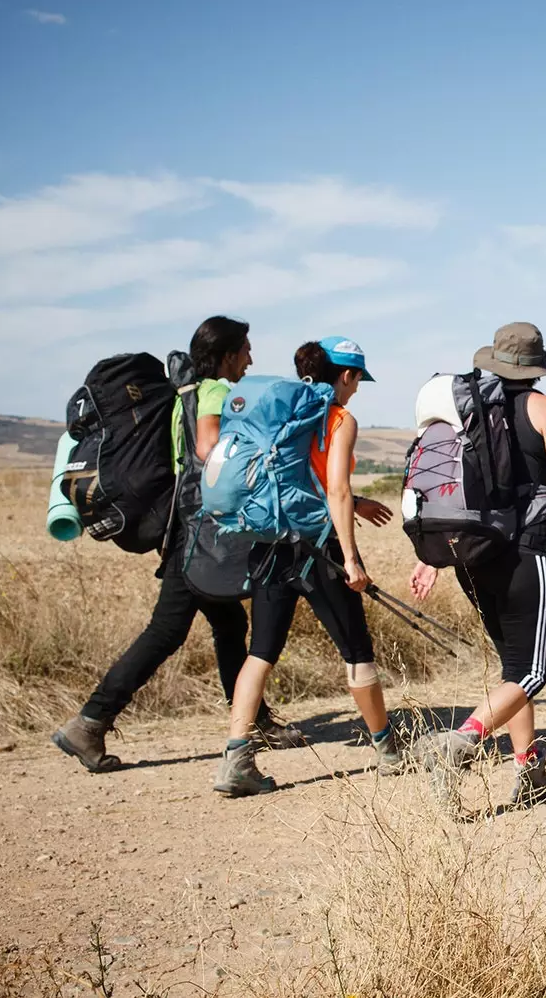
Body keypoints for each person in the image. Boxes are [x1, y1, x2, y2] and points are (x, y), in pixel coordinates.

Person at [53, 316, 301, 772]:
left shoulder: (184, 395)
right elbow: (208, 448)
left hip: (189, 531)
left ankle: (252, 721)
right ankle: (89, 722)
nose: (251, 358)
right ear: (226, 355)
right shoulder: (213, 392)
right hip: (199, 537)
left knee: (227, 626)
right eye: (245, 349)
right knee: (166, 631)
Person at [407, 322, 546, 809]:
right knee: (531, 673)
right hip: (524, 552)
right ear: (537, 365)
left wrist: (435, 560)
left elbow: (449, 491)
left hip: (472, 555)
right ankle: (456, 745)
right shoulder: (542, 407)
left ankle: (530, 770)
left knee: (510, 667)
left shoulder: (469, 412)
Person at [213, 338, 400, 797]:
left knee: (260, 652)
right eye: (358, 380)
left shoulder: (284, 415)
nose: (357, 390)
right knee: (357, 651)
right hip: (318, 549)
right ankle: (388, 751)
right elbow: (334, 489)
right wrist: (351, 559)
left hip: (270, 541)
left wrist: (353, 503)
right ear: (348, 375)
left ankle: (236, 758)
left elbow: (299, 481)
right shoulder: (339, 418)